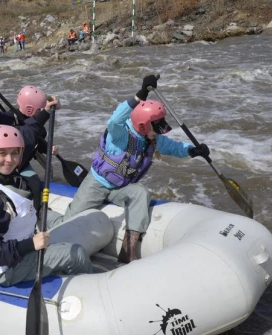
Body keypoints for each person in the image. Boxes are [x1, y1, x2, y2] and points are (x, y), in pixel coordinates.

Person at [60, 75, 210, 264]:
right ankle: (50, 225)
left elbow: (173, 148)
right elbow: (115, 120)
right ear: (143, 125)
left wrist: (193, 150)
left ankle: (128, 249)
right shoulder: (120, 134)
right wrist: (140, 95)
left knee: (141, 193)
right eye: (157, 128)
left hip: (122, 188)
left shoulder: (152, 138)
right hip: (97, 183)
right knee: (70, 220)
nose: (160, 133)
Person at [0, 125, 91, 287]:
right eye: (2, 153)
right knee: (77, 255)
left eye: (14, 153)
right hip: (5, 268)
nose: (10, 159)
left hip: (12, 247)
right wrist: (30, 244)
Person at [0, 76, 60, 208]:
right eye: (40, 110)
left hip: (21, 165)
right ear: (30, 109)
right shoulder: (5, 119)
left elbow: (34, 142)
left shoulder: (37, 127)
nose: (41, 112)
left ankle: (36, 212)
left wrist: (48, 147)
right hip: (2, 164)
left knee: (35, 185)